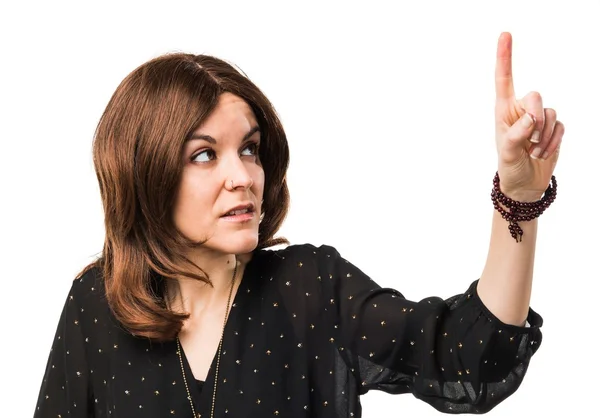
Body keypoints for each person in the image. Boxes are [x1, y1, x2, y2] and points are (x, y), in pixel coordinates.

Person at [33, 31, 563, 418]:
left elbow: (471, 355)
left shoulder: (310, 287)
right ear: (144, 173)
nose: (242, 176)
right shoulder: (95, 306)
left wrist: (519, 197)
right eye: (203, 155)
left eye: (249, 149)